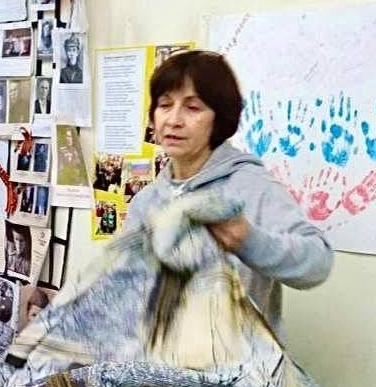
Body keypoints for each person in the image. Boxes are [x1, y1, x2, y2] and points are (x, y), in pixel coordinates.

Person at [125, 50, 333, 340]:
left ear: (219, 118)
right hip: (159, 364)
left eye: (193, 108)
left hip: (238, 365)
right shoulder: (146, 201)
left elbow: (318, 262)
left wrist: (249, 241)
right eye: (165, 105)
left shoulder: (249, 185)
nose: (173, 120)